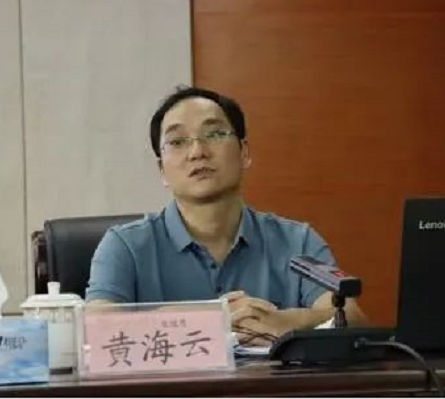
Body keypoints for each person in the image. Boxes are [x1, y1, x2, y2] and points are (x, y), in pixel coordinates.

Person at [86, 86, 366, 345]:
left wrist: (288, 323)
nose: (197, 152)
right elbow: (95, 328)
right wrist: (211, 317)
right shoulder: (125, 246)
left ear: (244, 152)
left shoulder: (297, 241)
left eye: (214, 134)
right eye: (177, 141)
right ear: (162, 171)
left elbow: (351, 318)